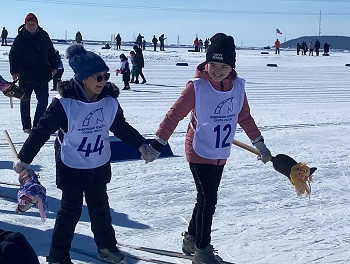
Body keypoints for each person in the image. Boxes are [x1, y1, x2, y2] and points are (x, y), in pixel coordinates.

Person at [12, 44, 149, 264]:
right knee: (70, 212)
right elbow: (41, 131)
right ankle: (58, 256)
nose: (104, 81)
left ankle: (106, 247)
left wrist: (141, 145)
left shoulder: (109, 102)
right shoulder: (64, 105)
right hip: (72, 165)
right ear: (84, 78)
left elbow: (121, 127)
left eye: (105, 76)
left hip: (98, 163)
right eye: (99, 77)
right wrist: (24, 159)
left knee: (101, 209)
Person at [143, 33, 272, 264]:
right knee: (208, 198)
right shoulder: (197, 87)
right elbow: (174, 115)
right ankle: (202, 250)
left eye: (223, 66)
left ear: (232, 67)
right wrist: (157, 144)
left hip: (220, 152)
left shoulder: (238, 88)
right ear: (206, 63)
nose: (217, 70)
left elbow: (245, 117)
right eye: (213, 64)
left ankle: (191, 239)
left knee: (205, 198)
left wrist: (259, 143)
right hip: (199, 149)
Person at [9, 13, 58, 133]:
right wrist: (14, 71)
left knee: (43, 101)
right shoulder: (20, 38)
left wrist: (54, 66)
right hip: (25, 76)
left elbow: (51, 52)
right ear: (25, 25)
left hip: (42, 75)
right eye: (29, 24)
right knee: (25, 100)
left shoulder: (44, 35)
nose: (31, 26)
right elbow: (13, 56)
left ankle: (37, 123)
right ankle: (26, 126)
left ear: (37, 24)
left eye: (33, 24)